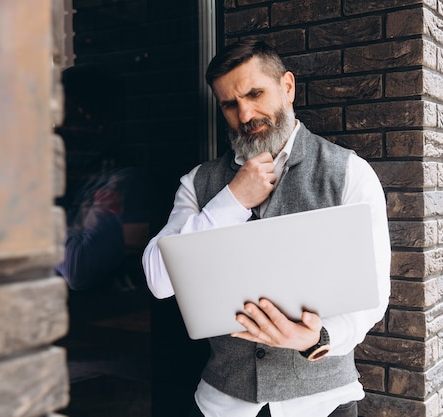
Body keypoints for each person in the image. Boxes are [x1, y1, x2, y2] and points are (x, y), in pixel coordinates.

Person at [142, 39, 391, 417]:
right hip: (221, 404)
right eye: (230, 103)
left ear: (287, 87)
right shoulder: (198, 183)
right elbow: (159, 280)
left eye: (255, 93)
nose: (245, 114)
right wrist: (232, 201)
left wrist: (318, 337)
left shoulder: (349, 172)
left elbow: (374, 294)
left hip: (323, 404)